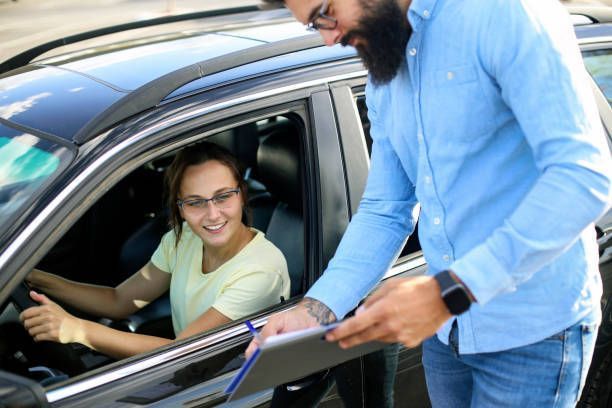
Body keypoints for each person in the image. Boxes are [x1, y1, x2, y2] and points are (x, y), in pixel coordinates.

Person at [250, 0, 612, 406]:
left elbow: (584, 177)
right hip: (446, 335)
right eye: (313, 26)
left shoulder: (505, 12)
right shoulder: (384, 63)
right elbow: (386, 209)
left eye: (325, 13)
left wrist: (448, 292)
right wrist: (315, 309)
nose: (329, 37)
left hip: (533, 332)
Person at [21, 142, 290, 360]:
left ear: (242, 194)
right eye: (195, 202)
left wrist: (77, 329)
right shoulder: (184, 239)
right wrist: (36, 278)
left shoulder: (261, 270)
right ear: (181, 208)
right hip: (190, 370)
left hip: (225, 387)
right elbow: (120, 300)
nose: (212, 214)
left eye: (223, 196)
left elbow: (182, 351)